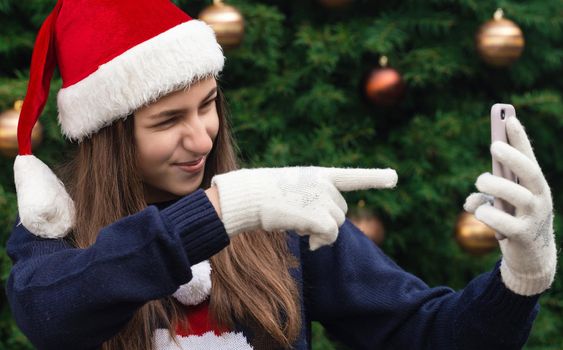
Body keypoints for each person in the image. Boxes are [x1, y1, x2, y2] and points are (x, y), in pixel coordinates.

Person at [5, 1, 556, 349]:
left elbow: (429, 334)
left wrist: (521, 276)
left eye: (208, 104)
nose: (202, 138)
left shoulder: (282, 217)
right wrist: (221, 212)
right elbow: (49, 315)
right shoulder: (58, 232)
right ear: (109, 136)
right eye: (168, 120)